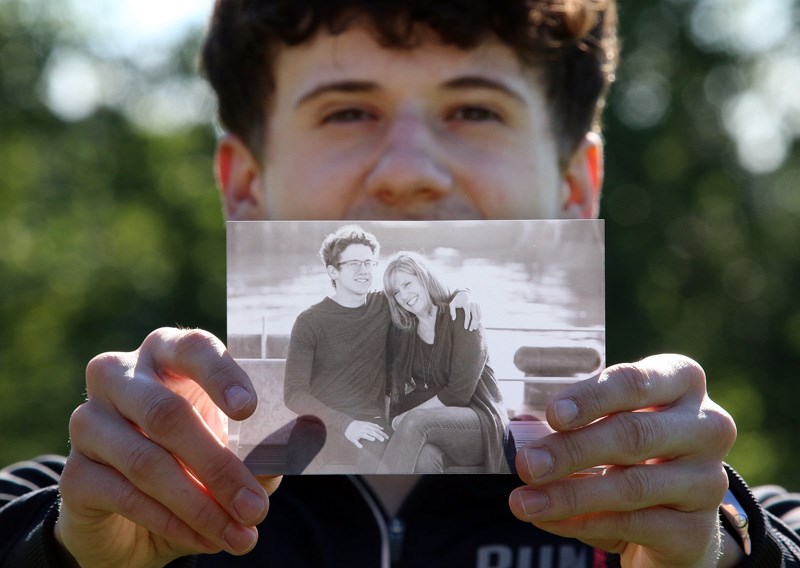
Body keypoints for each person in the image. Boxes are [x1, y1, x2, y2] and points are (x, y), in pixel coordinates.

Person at [2, 0, 800, 566]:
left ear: (575, 186)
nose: (410, 172)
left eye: (474, 111)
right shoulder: (89, 506)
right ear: (244, 185)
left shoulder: (692, 519)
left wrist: (728, 546)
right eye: (348, 112)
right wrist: (66, 555)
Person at [280, 226, 477, 473]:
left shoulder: (386, 305)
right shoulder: (309, 321)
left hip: (371, 423)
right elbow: (294, 394)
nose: (364, 270)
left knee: (375, 474)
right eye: (354, 263)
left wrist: (463, 293)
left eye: (369, 262)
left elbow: (423, 289)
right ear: (333, 271)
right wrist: (345, 424)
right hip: (319, 423)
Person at [377, 251, 509, 474]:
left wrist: (404, 418)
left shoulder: (461, 316)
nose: (404, 295)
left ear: (423, 277)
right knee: (425, 459)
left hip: (480, 423)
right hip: (438, 428)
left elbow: (459, 394)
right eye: (396, 293)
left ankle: (373, 502)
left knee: (414, 421)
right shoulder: (405, 332)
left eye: (408, 284)